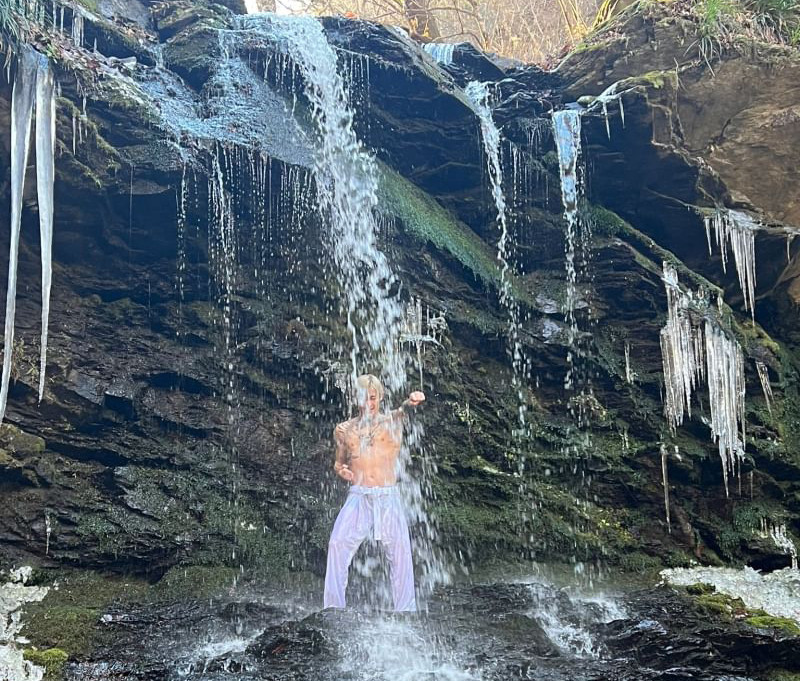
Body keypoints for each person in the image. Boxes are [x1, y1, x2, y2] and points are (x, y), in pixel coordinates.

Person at [323, 374, 425, 612]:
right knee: (337, 544)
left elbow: (405, 409)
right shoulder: (344, 430)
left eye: (372, 398)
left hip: (388, 497)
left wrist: (411, 401)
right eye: (363, 398)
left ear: (380, 397)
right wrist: (341, 470)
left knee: (400, 552)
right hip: (358, 496)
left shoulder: (392, 421)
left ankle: (406, 610)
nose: (368, 403)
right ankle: (332, 609)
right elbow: (338, 462)